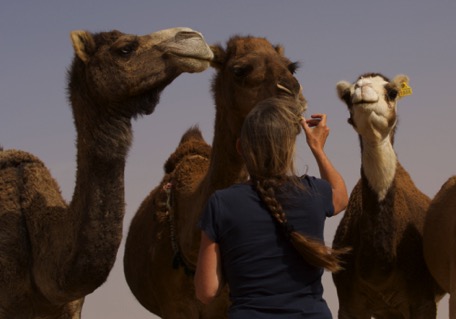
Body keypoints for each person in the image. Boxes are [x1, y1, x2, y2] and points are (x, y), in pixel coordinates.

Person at [194, 97, 349, 318]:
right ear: (289, 148)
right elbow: (341, 197)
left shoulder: (221, 203)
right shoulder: (313, 192)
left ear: (240, 147)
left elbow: (206, 292)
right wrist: (317, 148)